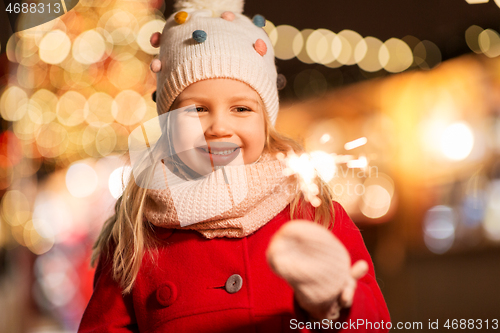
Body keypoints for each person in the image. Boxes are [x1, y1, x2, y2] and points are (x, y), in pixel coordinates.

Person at [78, 0, 391, 332]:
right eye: (197, 109)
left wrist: (336, 304)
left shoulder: (313, 215)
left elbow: (374, 323)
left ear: (266, 121)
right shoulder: (136, 237)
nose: (219, 127)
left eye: (241, 109)